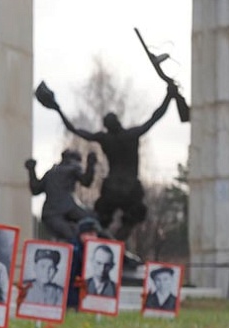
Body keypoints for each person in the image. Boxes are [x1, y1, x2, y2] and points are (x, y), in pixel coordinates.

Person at [38, 82, 177, 240]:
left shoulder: (105, 138)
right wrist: (169, 97)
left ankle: (107, 244)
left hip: (111, 188)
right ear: (118, 122)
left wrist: (58, 109)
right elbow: (154, 118)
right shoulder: (131, 135)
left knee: (101, 221)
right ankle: (115, 244)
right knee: (132, 217)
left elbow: (75, 129)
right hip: (130, 187)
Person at [25, 149, 97, 241]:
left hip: (55, 212)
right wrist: (91, 164)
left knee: (87, 224)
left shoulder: (51, 172)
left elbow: (35, 189)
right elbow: (86, 181)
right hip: (58, 212)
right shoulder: (73, 168)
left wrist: (31, 170)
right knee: (75, 233)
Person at [67, 217, 101, 309]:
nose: (93, 237)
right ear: (81, 235)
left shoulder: (95, 250)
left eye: (95, 234)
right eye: (90, 234)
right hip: (74, 295)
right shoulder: (74, 251)